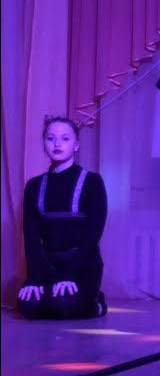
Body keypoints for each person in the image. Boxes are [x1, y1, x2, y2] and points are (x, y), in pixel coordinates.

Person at [17, 117, 108, 319]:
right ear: (44, 143)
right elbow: (31, 237)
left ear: (76, 145)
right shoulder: (33, 186)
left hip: (81, 264)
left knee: (63, 305)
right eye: (51, 138)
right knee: (28, 306)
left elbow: (93, 235)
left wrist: (68, 273)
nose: (57, 144)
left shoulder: (92, 182)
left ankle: (96, 301)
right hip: (47, 264)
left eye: (65, 138)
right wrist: (34, 277)